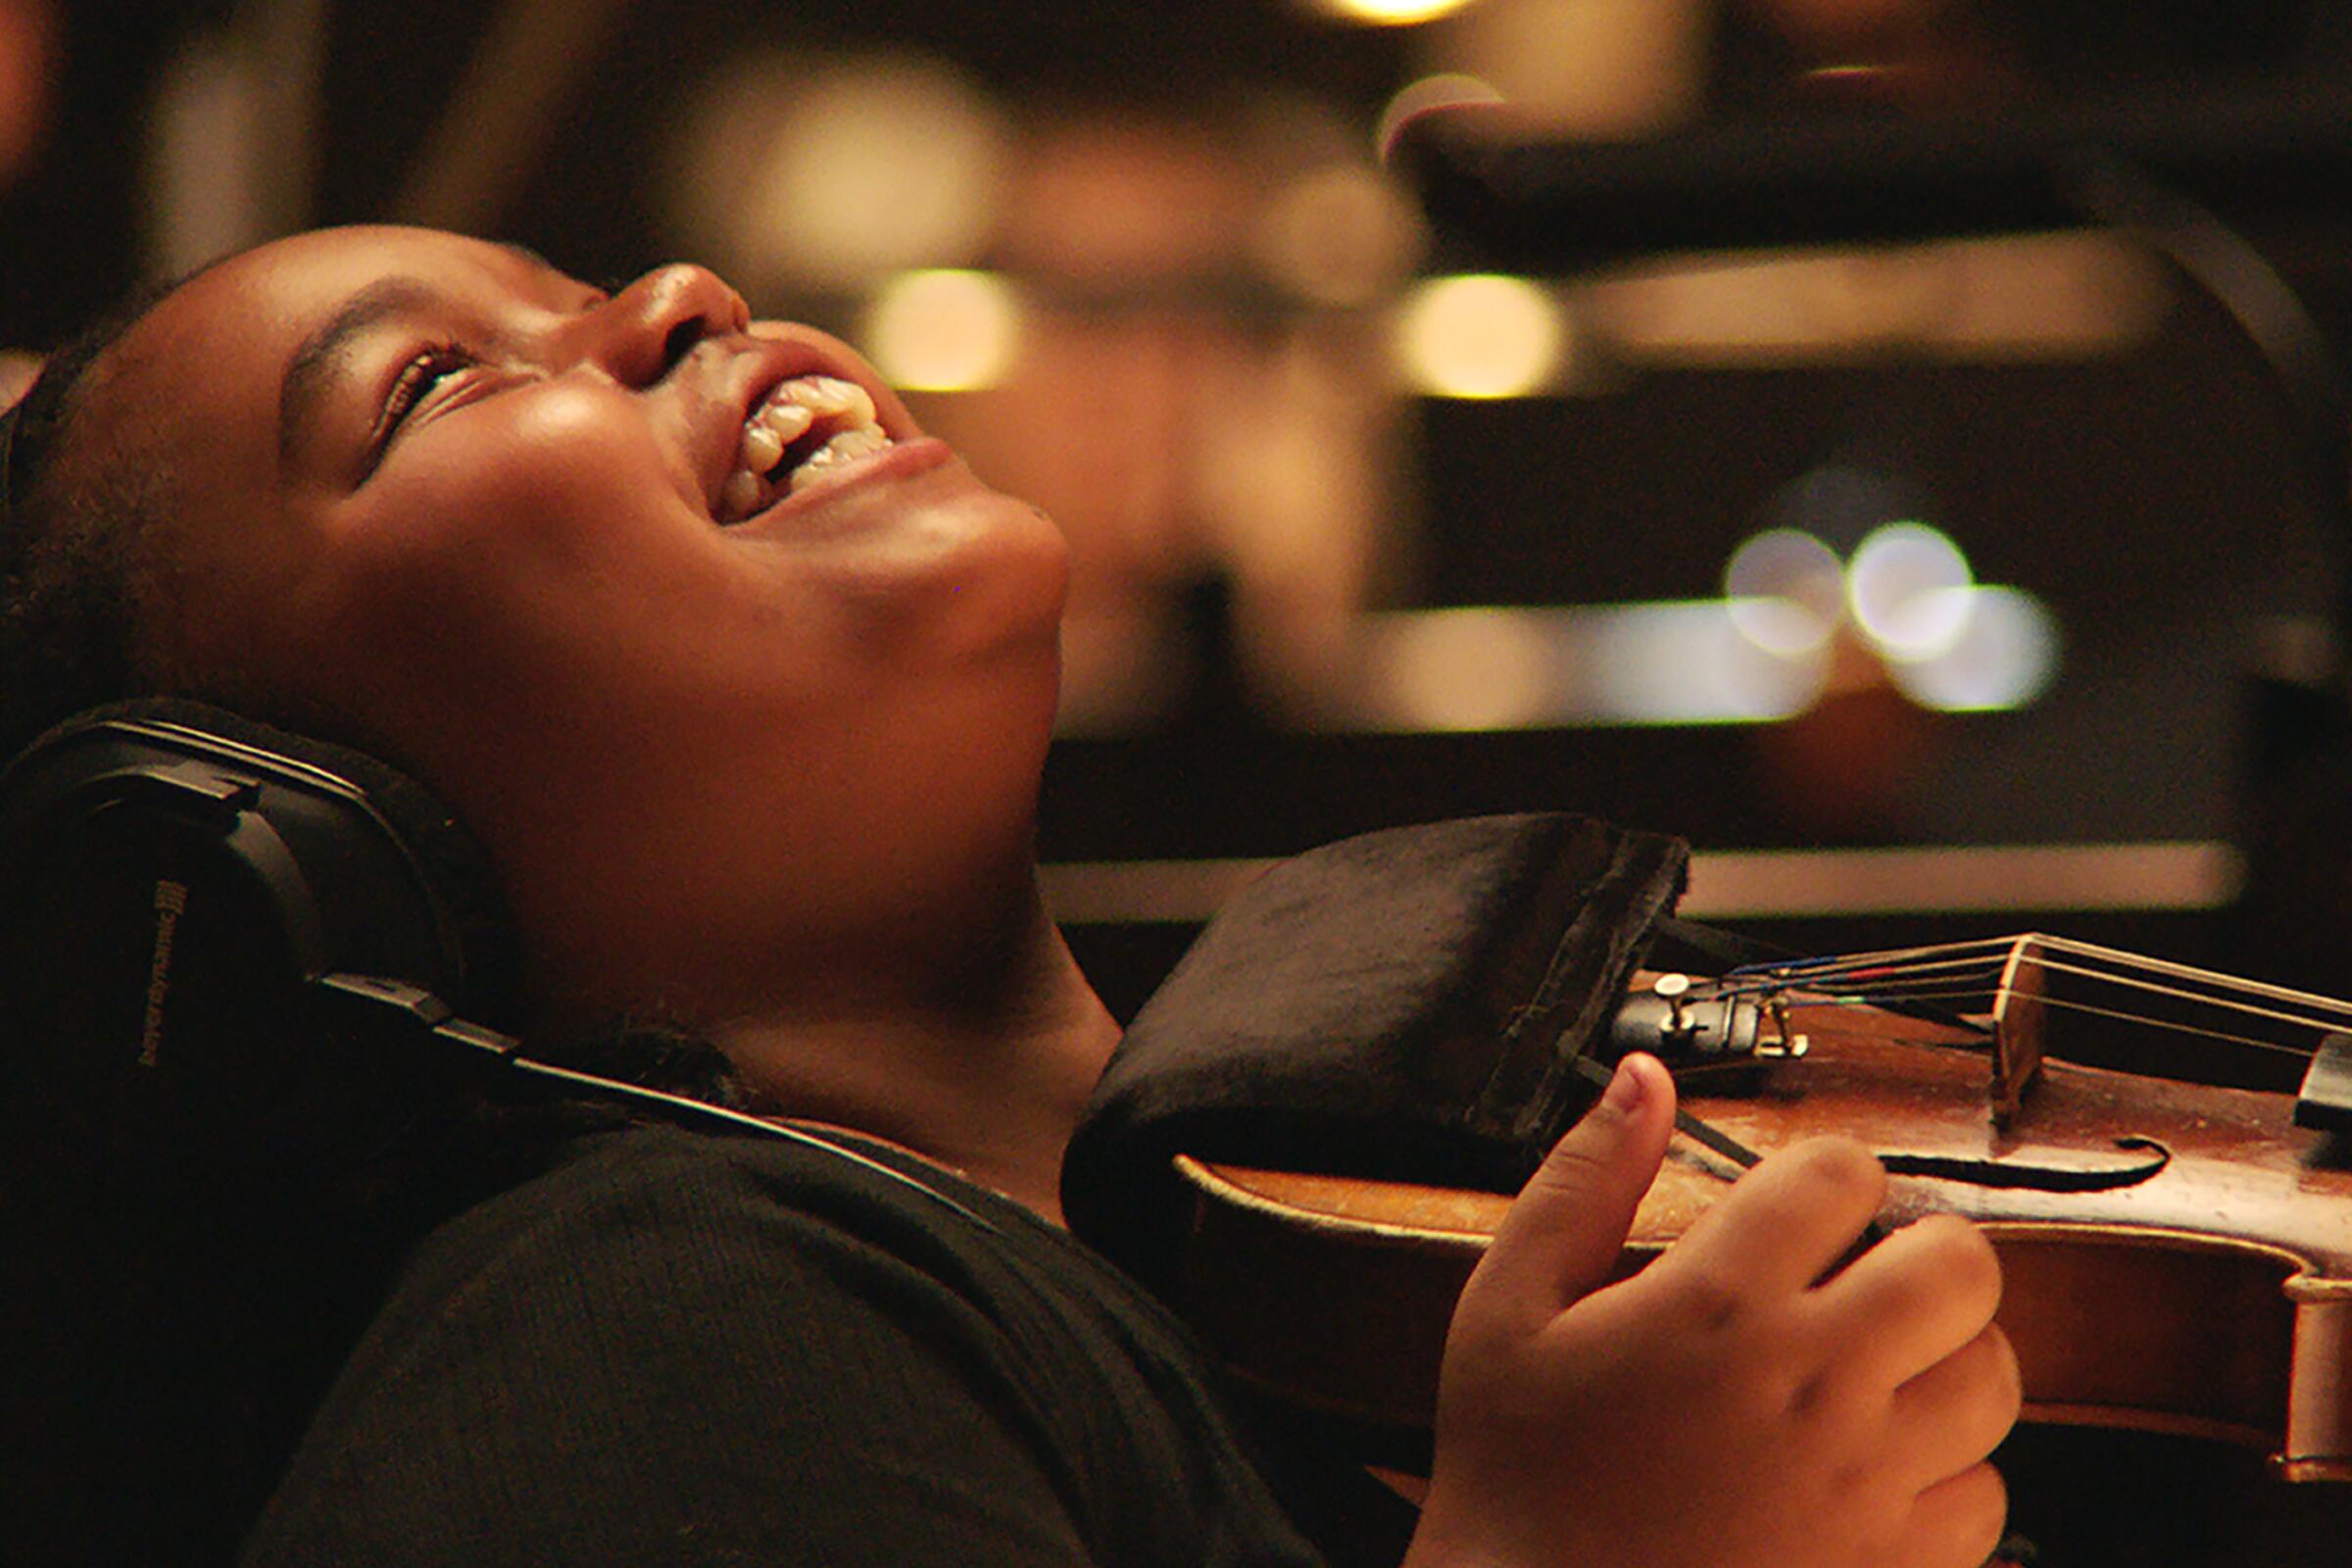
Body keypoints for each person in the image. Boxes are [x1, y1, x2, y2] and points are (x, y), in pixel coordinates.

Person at [0, 225, 2018, 1567]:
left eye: (575, 279)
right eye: (433, 385)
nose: (679, 292)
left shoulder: (1245, 1272)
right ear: (278, 863)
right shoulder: (654, 1338)